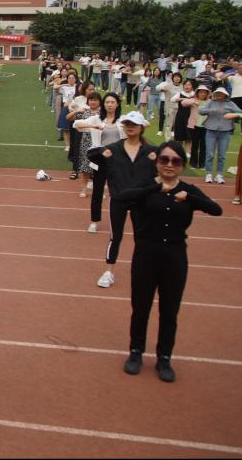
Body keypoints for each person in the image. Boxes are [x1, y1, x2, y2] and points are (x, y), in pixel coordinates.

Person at [116, 141, 222, 382]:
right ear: (157, 163)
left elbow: (216, 210)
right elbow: (121, 198)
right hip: (145, 255)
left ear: (182, 165)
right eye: (164, 159)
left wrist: (191, 198)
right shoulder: (146, 186)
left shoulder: (187, 190)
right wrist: (155, 189)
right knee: (140, 308)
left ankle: (164, 357)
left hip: (175, 257)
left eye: (175, 161)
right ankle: (135, 352)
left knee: (169, 311)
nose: (169, 165)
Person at [88, 111, 158, 289]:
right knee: (115, 237)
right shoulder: (114, 148)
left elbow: (170, 165)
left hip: (141, 201)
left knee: (141, 237)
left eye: (133, 124)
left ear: (141, 127)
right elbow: (91, 155)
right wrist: (102, 152)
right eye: (127, 124)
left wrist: (156, 161)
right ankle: (108, 271)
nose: (130, 127)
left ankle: (143, 270)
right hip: (118, 199)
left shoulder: (151, 151)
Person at [77, 92, 123, 233]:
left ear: (117, 104)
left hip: (118, 160)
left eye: (112, 102)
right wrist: (93, 126)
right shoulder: (97, 119)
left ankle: (117, 220)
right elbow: (76, 124)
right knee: (97, 192)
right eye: (107, 102)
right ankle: (94, 221)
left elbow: (144, 123)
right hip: (101, 159)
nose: (110, 105)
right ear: (103, 104)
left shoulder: (123, 120)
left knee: (119, 192)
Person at [198, 87, 240, 184]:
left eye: (221, 93)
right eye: (217, 93)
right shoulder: (211, 102)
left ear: (225, 95)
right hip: (211, 130)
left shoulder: (230, 103)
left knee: (222, 155)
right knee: (209, 154)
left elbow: (240, 112)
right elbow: (201, 111)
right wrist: (211, 110)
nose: (219, 95)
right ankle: (208, 173)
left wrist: (231, 112)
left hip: (225, 131)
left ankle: (219, 174)